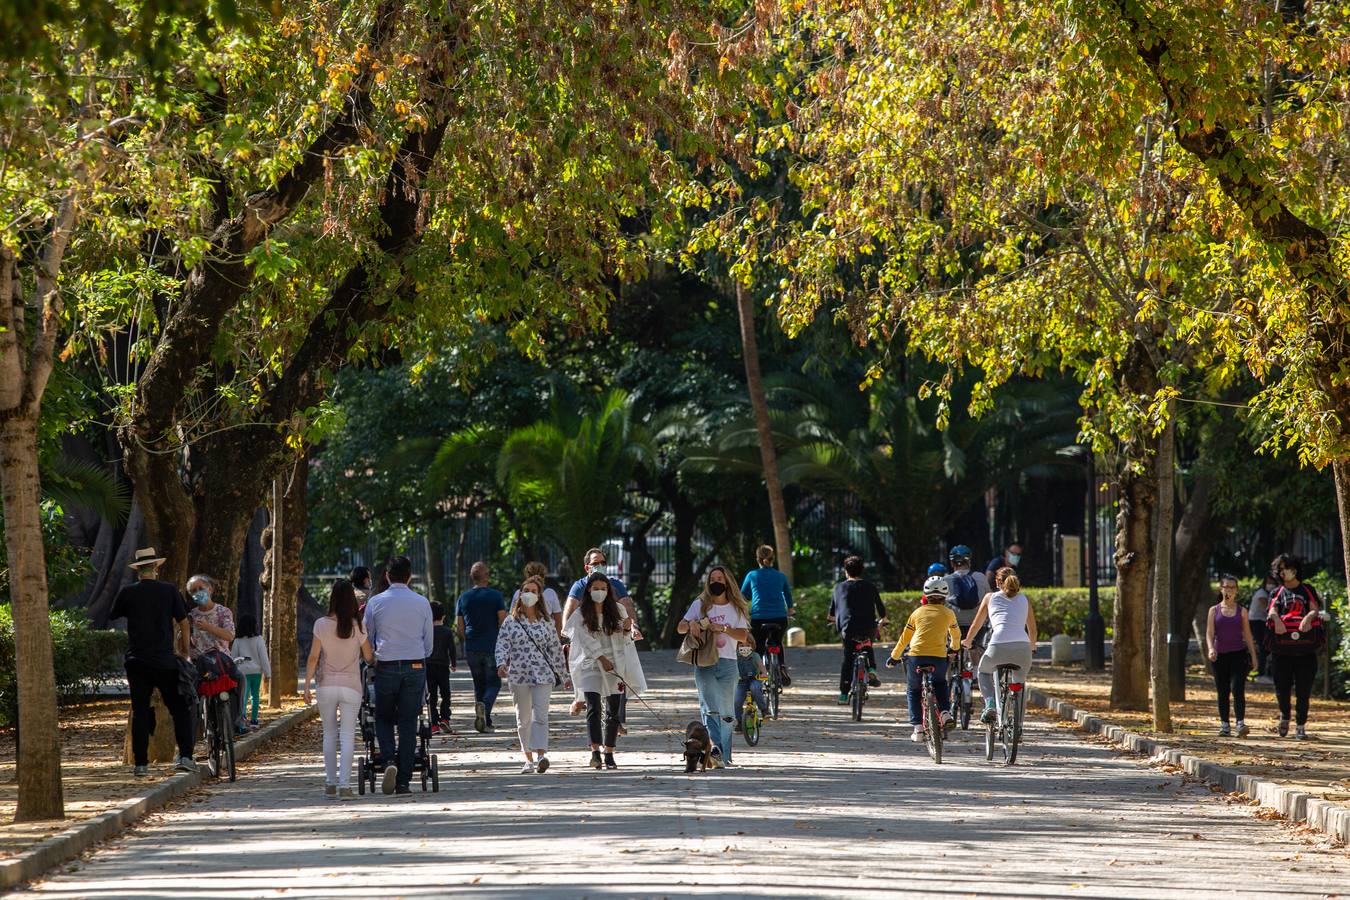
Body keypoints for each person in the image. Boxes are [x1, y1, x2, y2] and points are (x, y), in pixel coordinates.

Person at [109, 548, 196, 777]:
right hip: (165, 661)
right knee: (179, 708)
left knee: (140, 711)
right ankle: (186, 756)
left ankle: (141, 764)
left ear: (138, 570)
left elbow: (114, 613)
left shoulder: (128, 592)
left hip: (137, 661)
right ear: (156, 568)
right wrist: (184, 651)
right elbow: (184, 621)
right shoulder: (169, 591)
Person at [363, 555, 434, 795]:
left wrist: (373, 657)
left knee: (382, 717)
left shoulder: (375, 602)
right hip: (415, 664)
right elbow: (428, 642)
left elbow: (368, 636)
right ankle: (403, 781)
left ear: (386, 576)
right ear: (410, 576)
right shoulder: (422, 602)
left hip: (386, 665)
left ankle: (389, 760)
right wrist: (419, 654)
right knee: (408, 721)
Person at [565, 572, 646, 770]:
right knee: (593, 707)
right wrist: (601, 658)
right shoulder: (581, 613)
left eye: (603, 589)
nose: (599, 592)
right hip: (590, 664)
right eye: (595, 589)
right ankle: (595, 752)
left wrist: (627, 628)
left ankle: (609, 752)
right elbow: (584, 639)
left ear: (608, 591)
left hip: (615, 664)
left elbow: (624, 637)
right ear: (589, 591)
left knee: (613, 710)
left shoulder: (618, 609)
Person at [303, 580, 373, 800]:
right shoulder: (358, 626)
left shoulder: (321, 624)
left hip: (325, 686)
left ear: (332, 598)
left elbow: (313, 657)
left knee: (329, 734)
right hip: (351, 686)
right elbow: (369, 657)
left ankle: (330, 783)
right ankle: (345, 786)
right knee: (348, 735)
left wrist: (306, 686)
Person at [678, 566, 751, 768]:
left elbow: (743, 636)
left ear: (727, 581)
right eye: (712, 579)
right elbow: (680, 627)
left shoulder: (736, 607)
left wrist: (725, 629)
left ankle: (723, 755)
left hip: (728, 662)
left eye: (720, 578)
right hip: (705, 661)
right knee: (710, 709)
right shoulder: (700, 604)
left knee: (727, 713)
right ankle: (715, 752)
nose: (716, 582)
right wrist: (692, 623)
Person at [495, 576, 569, 773]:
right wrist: (501, 663)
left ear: (539, 596)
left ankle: (541, 755)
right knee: (523, 718)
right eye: (526, 590)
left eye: (533, 591)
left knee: (541, 716)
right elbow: (502, 644)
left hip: (543, 675)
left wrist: (565, 675)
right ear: (520, 594)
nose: (529, 594)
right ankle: (528, 758)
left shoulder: (546, 622)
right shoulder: (511, 622)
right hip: (518, 675)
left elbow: (555, 650)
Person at [562, 548, 641, 724]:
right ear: (586, 567)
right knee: (589, 681)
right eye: (595, 563)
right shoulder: (580, 585)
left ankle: (615, 721)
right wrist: (565, 629)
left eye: (603, 563)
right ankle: (581, 699)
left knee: (618, 680)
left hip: (611, 641)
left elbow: (627, 606)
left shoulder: (616, 584)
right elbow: (570, 606)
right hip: (589, 642)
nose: (600, 566)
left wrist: (633, 626)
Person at [886, 576, 961, 742]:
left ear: (925, 594)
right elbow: (956, 634)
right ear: (945, 595)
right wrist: (954, 648)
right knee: (940, 683)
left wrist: (894, 656)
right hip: (939, 657)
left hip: (916, 656)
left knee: (913, 690)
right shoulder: (949, 613)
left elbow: (905, 638)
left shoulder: (917, 613)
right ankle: (945, 713)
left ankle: (918, 729)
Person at [963, 568, 1037, 727]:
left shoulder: (990, 598)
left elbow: (977, 624)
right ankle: (1018, 726)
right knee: (1020, 684)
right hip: (1023, 648)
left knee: (983, 672)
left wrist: (967, 641)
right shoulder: (1025, 599)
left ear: (997, 582)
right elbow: (1032, 629)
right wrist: (1032, 647)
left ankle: (990, 703)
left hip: (997, 645)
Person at [1265, 554, 1328, 740]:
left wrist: (1309, 617)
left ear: (1296, 569)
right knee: (1281, 689)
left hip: (1305, 650)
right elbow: (1271, 610)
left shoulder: (1307, 589)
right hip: (1282, 651)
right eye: (1281, 569)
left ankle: (1300, 725)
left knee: (1303, 690)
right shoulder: (1276, 592)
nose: (1285, 572)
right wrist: (1276, 619)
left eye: (1289, 568)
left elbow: (1315, 609)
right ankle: (1285, 715)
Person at [455, 561, 507, 733]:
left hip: (472, 647)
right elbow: (503, 621)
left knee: (479, 684)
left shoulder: (463, 597)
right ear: (487, 576)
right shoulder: (496, 596)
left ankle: (486, 720)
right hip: (492, 645)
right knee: (494, 683)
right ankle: (484, 708)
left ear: (472, 577)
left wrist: (467, 639)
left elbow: (459, 627)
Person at [828, 555, 888, 703]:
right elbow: (881, 609)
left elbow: (831, 614)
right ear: (862, 570)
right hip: (868, 627)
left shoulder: (839, 588)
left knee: (848, 659)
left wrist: (834, 620)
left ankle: (843, 695)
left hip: (848, 629)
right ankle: (872, 669)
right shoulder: (870, 586)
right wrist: (884, 620)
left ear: (845, 571)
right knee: (867, 643)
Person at [1205, 575, 1258, 738]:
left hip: (1238, 655)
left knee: (1237, 689)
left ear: (1237, 591)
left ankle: (1240, 723)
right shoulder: (1214, 610)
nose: (1229, 590)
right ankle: (1224, 725)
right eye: (1226, 587)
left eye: (1232, 587)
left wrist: (1254, 656)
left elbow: (1248, 635)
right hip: (1220, 656)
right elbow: (1209, 633)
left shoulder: (1242, 611)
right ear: (1221, 589)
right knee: (1222, 690)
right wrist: (1211, 648)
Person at [741, 545, 794, 686]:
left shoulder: (752, 575)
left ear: (758, 559)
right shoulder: (781, 576)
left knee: (757, 647)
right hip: (779, 618)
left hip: (759, 618)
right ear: (773, 559)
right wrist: (790, 609)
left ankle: (758, 675)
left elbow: (743, 596)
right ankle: (781, 667)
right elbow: (788, 596)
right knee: (777, 642)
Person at [230, 613, 271, 733]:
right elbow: (264, 657)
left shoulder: (237, 641)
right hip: (256, 672)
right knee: (255, 696)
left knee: (243, 696)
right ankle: (254, 721)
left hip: (242, 672)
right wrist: (268, 673)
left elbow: (233, 657)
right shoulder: (258, 640)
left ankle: (242, 721)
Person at [426, 601, 458, 735]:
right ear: (443, 616)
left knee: (431, 695)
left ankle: (433, 724)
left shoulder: (426, 631)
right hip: (443, 666)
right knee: (445, 693)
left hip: (428, 665)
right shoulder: (447, 631)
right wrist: (454, 663)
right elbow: (452, 649)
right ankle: (445, 717)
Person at [515, 561, 564, 634]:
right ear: (543, 576)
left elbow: (513, 616)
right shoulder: (550, 593)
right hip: (546, 637)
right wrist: (558, 640)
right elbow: (558, 620)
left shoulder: (518, 593)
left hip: (522, 637)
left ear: (527, 576)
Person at [733, 639, 768, 734]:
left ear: (752, 646)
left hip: (754, 679)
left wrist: (764, 673)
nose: (744, 648)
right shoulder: (734, 656)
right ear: (737, 647)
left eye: (747, 645)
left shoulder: (755, 656)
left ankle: (764, 709)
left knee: (755, 688)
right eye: (741, 646)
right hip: (741, 681)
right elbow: (731, 668)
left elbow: (761, 666)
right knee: (737, 700)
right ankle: (740, 722)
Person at [1248, 574, 1278, 683]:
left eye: (1273, 583)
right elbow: (1267, 608)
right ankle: (1259, 674)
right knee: (1263, 647)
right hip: (1257, 622)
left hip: (1262, 622)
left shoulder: (1268, 593)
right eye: (1268, 582)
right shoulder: (1261, 594)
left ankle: (1262, 672)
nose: (1270, 585)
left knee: (1266, 647)